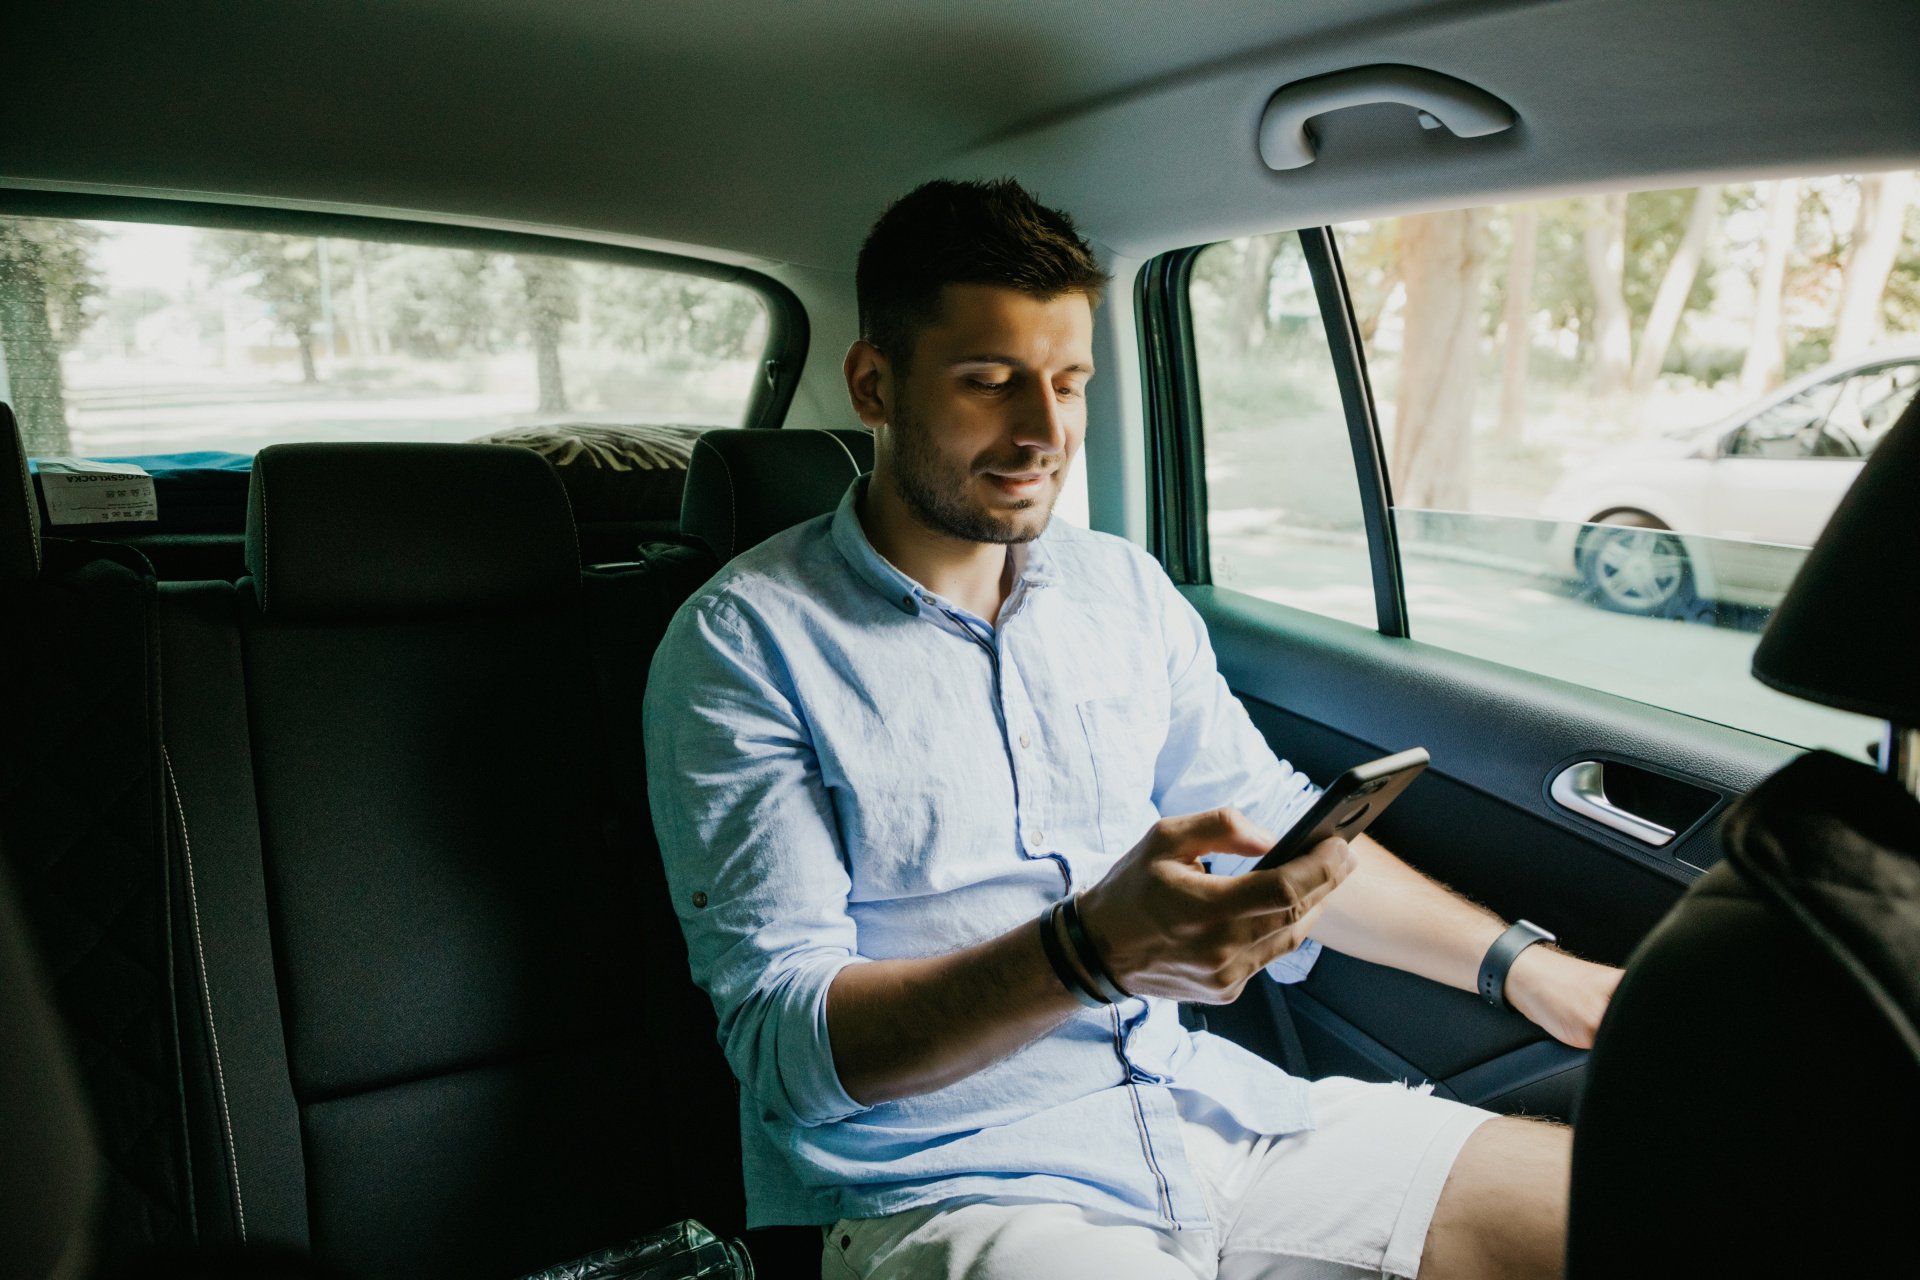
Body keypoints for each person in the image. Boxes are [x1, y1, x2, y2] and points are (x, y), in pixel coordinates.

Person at [643, 178, 1623, 1280]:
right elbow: (787, 1045)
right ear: (875, 382)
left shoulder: (1123, 589)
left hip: (1209, 1116)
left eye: (1070, 383)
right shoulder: (741, 644)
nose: (1044, 433)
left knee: (1643, 1210)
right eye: (989, 383)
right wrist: (1087, 951)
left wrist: (1532, 968)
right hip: (942, 1184)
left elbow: (1272, 820)